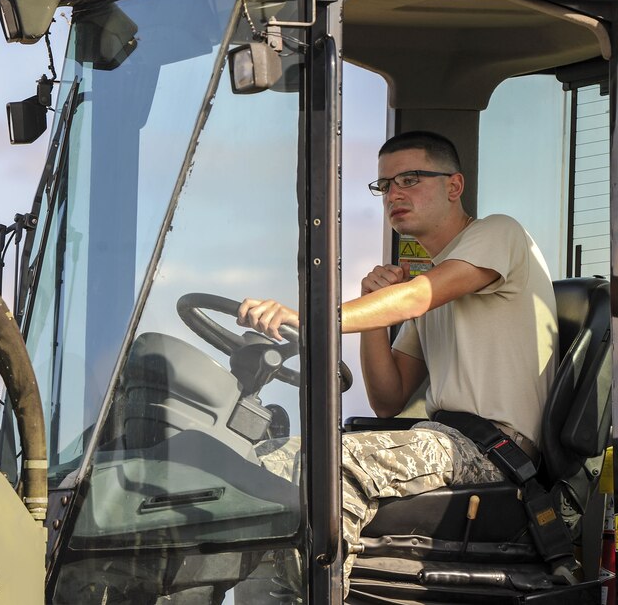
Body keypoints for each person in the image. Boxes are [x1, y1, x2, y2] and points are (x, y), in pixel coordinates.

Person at [238, 130, 558, 593]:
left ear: (454, 186)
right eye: (385, 185)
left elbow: (415, 298)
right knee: (264, 462)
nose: (394, 194)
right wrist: (375, 312)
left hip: (494, 451)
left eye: (410, 179)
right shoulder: (435, 280)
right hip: (445, 441)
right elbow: (388, 399)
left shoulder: (497, 234)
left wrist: (310, 318)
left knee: (324, 467)